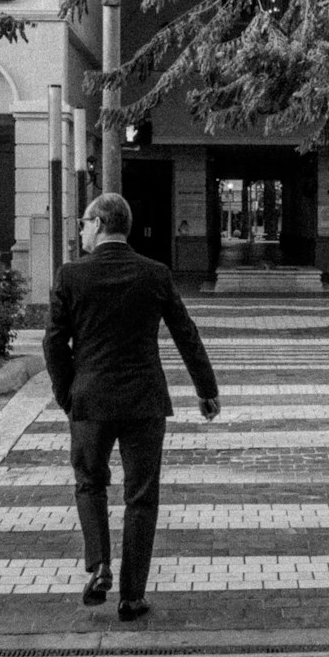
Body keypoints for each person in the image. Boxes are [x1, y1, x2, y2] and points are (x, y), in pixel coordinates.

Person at [43, 192, 220, 622]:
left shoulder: (71, 276)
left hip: (90, 401)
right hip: (144, 401)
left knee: (90, 483)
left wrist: (68, 395)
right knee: (141, 497)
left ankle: (99, 563)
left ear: (101, 222)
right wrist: (205, 389)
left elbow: (53, 342)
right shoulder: (154, 273)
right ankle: (132, 597)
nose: (81, 230)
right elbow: (185, 332)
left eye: (84, 222)